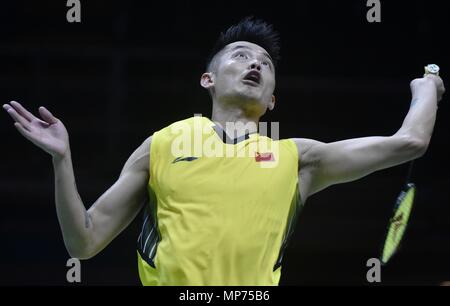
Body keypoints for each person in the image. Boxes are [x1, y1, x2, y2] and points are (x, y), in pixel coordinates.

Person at [2, 17, 445, 286]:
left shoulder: (299, 158)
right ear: (207, 79)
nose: (254, 64)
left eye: (265, 64)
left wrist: (426, 90)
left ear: (272, 100)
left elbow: (409, 143)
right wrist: (62, 160)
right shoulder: (162, 144)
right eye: (240, 55)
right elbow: (84, 241)